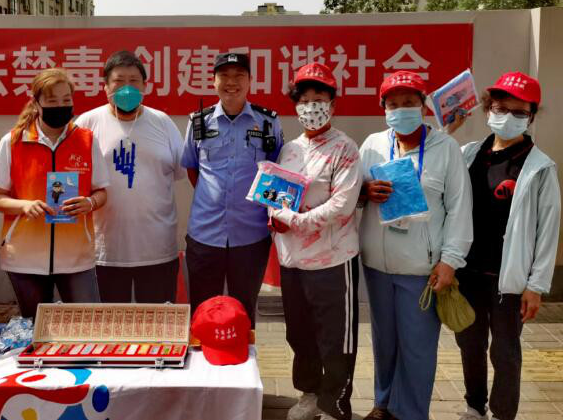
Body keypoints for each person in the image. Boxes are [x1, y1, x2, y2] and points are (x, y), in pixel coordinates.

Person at [358, 71, 473, 420]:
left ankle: (409, 413)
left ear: (423, 106)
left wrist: (450, 260)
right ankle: (383, 404)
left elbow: (459, 208)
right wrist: (364, 192)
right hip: (377, 264)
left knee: (417, 347)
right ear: (384, 109)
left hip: (422, 268)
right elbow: (352, 193)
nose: (401, 110)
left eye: (409, 103)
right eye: (393, 104)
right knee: (385, 342)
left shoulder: (445, 148)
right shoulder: (372, 145)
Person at [448, 72, 560, 420]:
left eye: (519, 112)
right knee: (469, 344)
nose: (508, 117)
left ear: (531, 116)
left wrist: (536, 286)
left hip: (509, 279)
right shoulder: (469, 154)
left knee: (506, 352)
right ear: (487, 108)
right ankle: (474, 406)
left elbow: (548, 230)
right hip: (468, 273)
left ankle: (502, 414)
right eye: (500, 108)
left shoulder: (539, 167)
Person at [269, 63, 361, 420]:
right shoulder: (289, 149)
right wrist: (273, 216)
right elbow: (275, 195)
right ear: (296, 106)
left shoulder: (345, 148)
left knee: (336, 339)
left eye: (319, 99)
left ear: (332, 104)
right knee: (300, 334)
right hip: (293, 263)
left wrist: (293, 220)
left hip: (333, 260)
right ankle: (309, 393)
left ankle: (335, 403)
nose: (311, 107)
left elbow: (342, 206)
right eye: (304, 100)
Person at [0, 68, 109, 319]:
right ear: (36, 103)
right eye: (52, 101)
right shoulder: (13, 142)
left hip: (76, 257)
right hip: (24, 258)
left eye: (66, 100)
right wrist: (24, 206)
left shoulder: (86, 140)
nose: (60, 106)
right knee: (37, 329)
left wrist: (89, 202)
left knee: (86, 327)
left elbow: (101, 192)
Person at [181, 52, 283, 326]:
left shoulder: (268, 122)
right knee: (202, 312)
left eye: (239, 76)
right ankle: (201, 355)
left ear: (250, 80)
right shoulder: (198, 122)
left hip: (251, 235)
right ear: (214, 81)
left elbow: (275, 172)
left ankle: (244, 354)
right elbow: (193, 170)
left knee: (244, 312)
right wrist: (214, 198)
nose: (231, 82)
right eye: (224, 76)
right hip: (204, 234)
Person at [75, 51, 185, 303]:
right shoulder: (87, 124)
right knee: (109, 324)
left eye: (134, 81)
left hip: (157, 249)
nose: (127, 88)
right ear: (105, 87)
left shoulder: (162, 122)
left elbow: (181, 171)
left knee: (157, 323)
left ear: (145, 86)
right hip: (104, 251)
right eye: (119, 81)